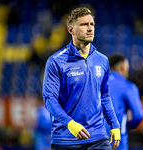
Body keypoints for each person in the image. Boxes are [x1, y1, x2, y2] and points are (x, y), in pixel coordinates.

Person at [42, 7, 120, 150]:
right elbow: (49, 99)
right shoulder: (56, 62)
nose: (90, 29)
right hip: (65, 140)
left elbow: (105, 96)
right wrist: (70, 123)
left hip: (98, 137)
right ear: (71, 30)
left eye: (92, 24)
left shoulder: (102, 60)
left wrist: (114, 124)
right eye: (84, 24)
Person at [105, 53, 143, 150]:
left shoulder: (95, 84)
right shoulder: (128, 87)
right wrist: (127, 126)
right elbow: (138, 115)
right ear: (122, 67)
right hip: (116, 141)